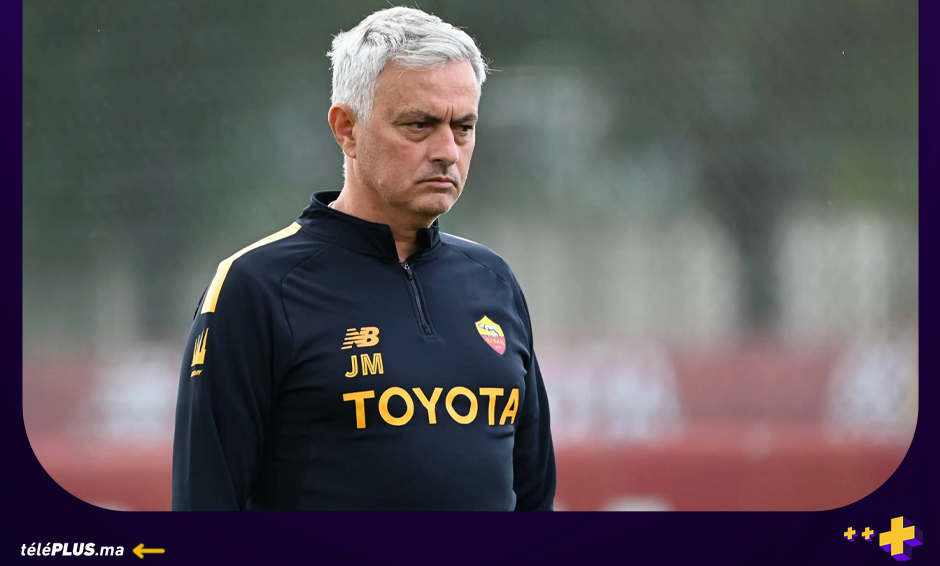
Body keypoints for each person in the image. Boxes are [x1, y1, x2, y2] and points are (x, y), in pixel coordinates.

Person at [171, 6, 555, 511]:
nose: (447, 150)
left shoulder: (494, 282)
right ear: (347, 128)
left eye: (463, 126)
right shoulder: (257, 286)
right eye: (419, 124)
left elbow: (533, 497)